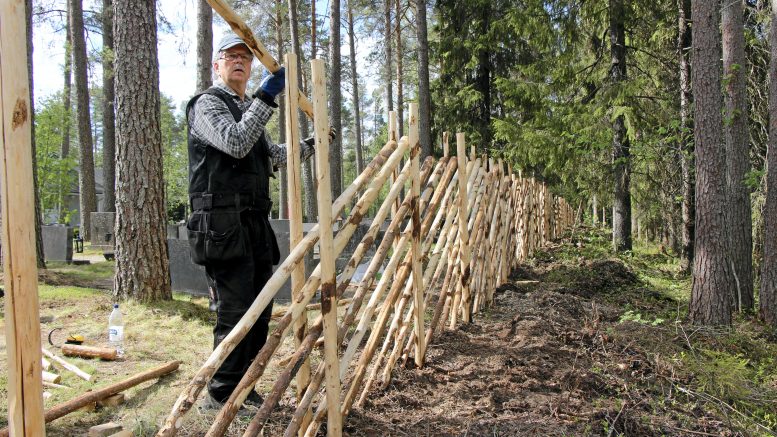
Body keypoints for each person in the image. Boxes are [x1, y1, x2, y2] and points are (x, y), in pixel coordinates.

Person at [185, 32, 324, 409]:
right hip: (221, 228)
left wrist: (312, 144)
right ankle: (220, 395)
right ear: (217, 65)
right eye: (230, 56)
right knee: (234, 312)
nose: (239, 61)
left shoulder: (247, 110)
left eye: (244, 57)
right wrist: (266, 96)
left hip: (252, 227)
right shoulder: (207, 105)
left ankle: (245, 386)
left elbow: (271, 155)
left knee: (259, 311)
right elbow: (234, 142)